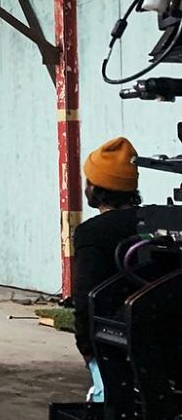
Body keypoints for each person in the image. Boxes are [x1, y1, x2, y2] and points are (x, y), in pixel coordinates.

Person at [72, 137, 141, 403]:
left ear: (97, 187)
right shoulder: (152, 224)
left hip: (111, 343)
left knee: (110, 410)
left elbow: (85, 295)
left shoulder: (91, 233)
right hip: (157, 340)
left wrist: (86, 347)